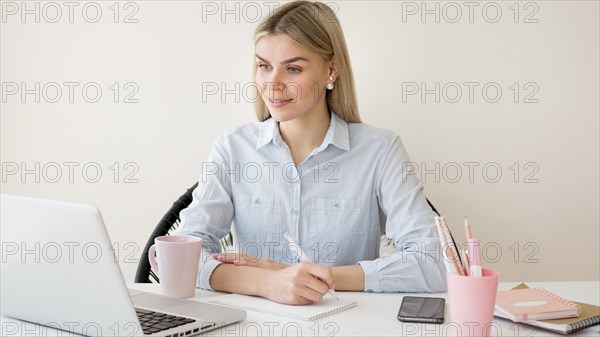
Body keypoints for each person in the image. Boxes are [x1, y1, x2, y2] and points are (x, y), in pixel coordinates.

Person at [173, 0, 446, 305]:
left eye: (293, 68)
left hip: (347, 322)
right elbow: (180, 257)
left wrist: (310, 278)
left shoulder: (380, 150)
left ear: (331, 70)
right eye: (264, 66)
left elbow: (434, 264)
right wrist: (267, 282)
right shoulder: (233, 148)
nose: (272, 84)